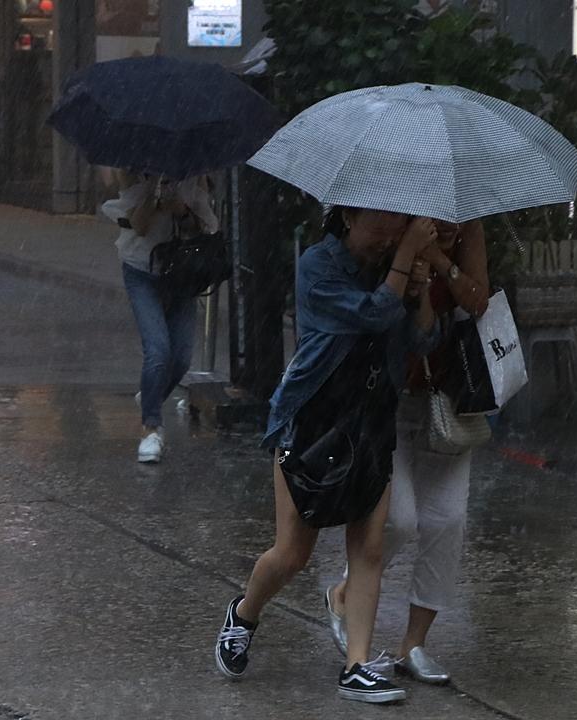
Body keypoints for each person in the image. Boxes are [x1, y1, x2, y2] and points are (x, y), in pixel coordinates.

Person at [213, 207, 440, 704]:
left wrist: (421, 293)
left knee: (369, 549)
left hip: (372, 423)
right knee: (292, 554)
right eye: (380, 225)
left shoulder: (392, 269)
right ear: (348, 218)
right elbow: (373, 314)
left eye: (397, 226)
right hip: (313, 424)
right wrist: (405, 260)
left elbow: (423, 339)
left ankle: (356, 666)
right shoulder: (318, 266)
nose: (388, 236)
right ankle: (245, 613)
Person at [324, 218, 490, 686]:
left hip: (448, 396)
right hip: (387, 394)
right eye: (440, 219)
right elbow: (370, 312)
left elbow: (478, 301)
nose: (449, 223)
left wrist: (437, 258)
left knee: (447, 521)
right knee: (396, 519)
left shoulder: (469, 229)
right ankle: (345, 591)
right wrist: (406, 259)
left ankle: (413, 644)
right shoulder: (390, 225)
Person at [103, 174, 218, 463]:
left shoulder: (193, 174)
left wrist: (181, 211)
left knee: (181, 358)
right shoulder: (133, 170)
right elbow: (139, 226)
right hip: (140, 269)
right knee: (157, 350)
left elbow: (206, 229)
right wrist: (155, 198)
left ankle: (150, 395)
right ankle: (151, 428)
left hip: (181, 273)